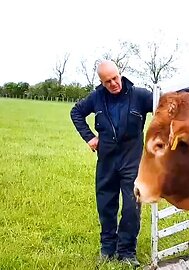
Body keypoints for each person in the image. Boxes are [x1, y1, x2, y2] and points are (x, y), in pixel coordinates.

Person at [70, 60, 153, 267]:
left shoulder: (140, 96)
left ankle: (127, 252)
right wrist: (89, 137)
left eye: (115, 78)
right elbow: (76, 112)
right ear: (101, 81)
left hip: (132, 162)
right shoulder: (97, 97)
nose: (113, 83)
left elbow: (164, 107)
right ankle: (107, 249)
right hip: (106, 161)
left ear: (120, 73)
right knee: (106, 205)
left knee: (131, 208)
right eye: (107, 81)